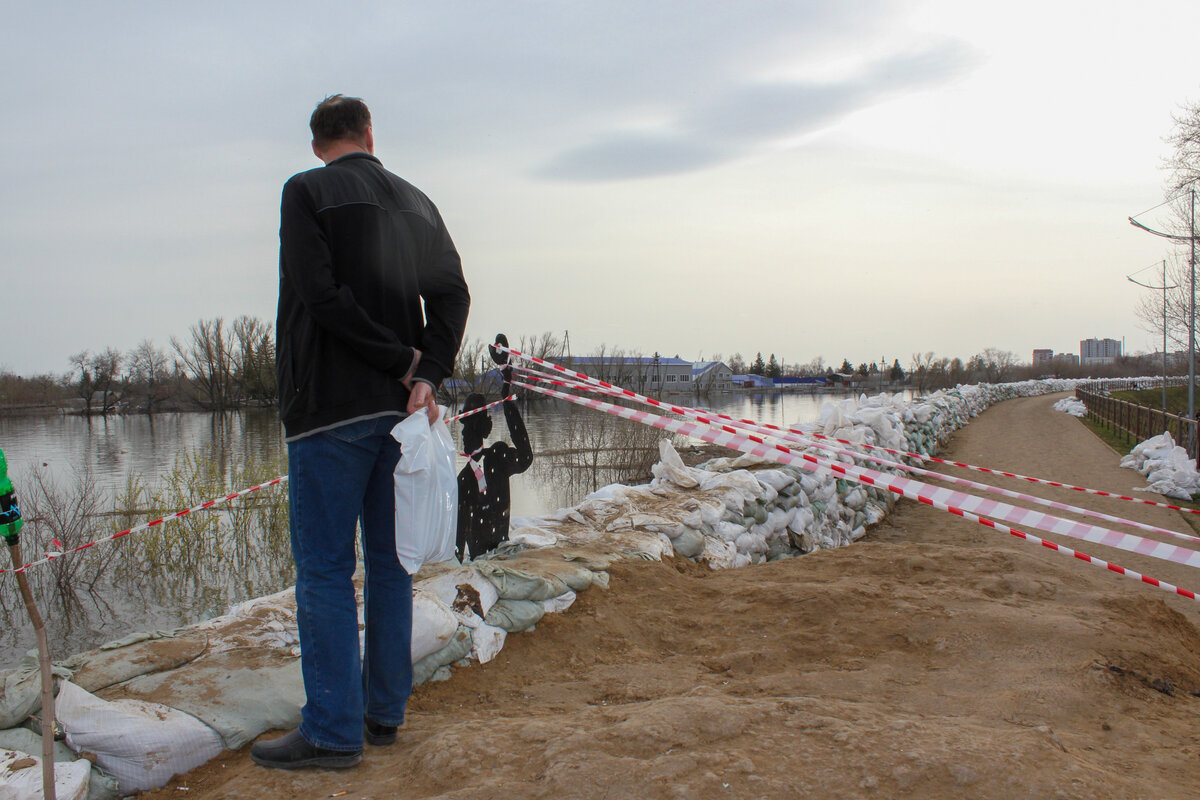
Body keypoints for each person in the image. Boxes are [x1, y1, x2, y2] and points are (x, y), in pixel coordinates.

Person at [251, 94, 470, 770]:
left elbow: (319, 296)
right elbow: (454, 294)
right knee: (389, 565)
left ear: (318, 143)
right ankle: (382, 716)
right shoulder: (415, 201)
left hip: (331, 409)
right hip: (403, 417)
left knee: (322, 571)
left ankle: (332, 733)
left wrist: (402, 362)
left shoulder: (306, 191)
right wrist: (425, 372)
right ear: (370, 134)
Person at [455, 363, 533, 560]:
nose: (464, 434)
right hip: (477, 561)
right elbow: (459, 531)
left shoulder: (498, 458)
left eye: (470, 427)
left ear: (482, 428)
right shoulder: (464, 478)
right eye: (464, 428)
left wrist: (507, 402)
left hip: (501, 554)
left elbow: (526, 457)